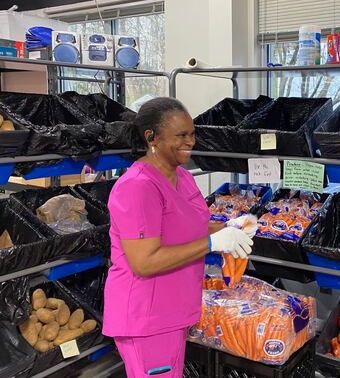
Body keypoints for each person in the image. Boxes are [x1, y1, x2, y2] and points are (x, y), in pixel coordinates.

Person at [102, 97, 256, 377]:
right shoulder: (137, 188)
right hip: (146, 318)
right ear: (152, 138)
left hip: (173, 311)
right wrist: (212, 244)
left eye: (192, 134)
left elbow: (191, 227)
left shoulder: (182, 176)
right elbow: (144, 261)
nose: (190, 142)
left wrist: (230, 228)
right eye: (181, 135)